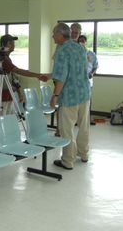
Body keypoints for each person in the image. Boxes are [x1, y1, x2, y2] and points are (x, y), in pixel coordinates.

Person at [0, 34, 49, 133]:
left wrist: (19, 92)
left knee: (7, 123)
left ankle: (4, 143)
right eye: (10, 43)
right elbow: (18, 71)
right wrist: (38, 75)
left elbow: (12, 77)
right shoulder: (2, 60)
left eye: (13, 43)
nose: (13, 45)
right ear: (3, 45)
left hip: (8, 96)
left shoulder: (7, 58)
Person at [50, 22, 91, 170]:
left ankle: (68, 161)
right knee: (84, 126)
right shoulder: (80, 48)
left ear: (61, 35)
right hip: (84, 94)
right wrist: (49, 75)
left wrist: (55, 95)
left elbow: (61, 76)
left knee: (66, 129)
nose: (52, 36)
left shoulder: (62, 50)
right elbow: (77, 70)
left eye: (54, 33)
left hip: (69, 97)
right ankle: (84, 154)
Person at [78, 35, 98, 125]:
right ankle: (77, 119)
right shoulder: (75, 53)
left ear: (86, 42)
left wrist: (92, 73)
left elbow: (95, 67)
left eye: (83, 41)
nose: (81, 42)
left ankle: (87, 119)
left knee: (88, 100)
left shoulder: (91, 54)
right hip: (77, 82)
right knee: (77, 100)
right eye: (80, 41)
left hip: (88, 81)